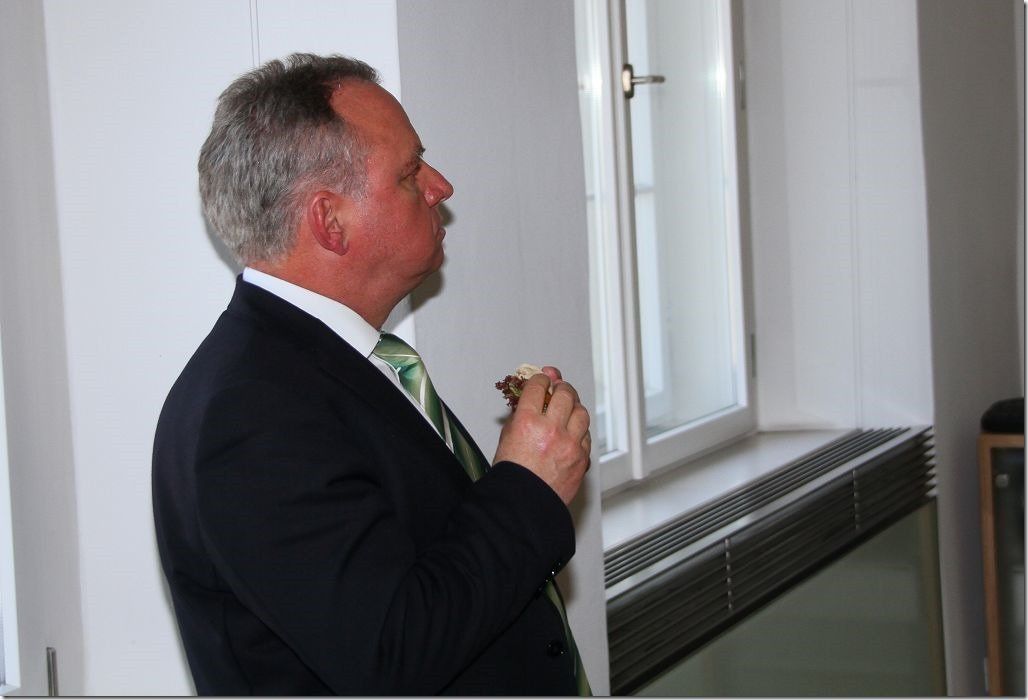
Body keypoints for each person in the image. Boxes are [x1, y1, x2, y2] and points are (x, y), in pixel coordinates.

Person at [152, 53, 592, 695]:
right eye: (410, 173)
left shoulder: (339, 363)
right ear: (330, 221)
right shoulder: (249, 416)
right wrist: (528, 487)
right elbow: (390, 655)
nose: (442, 186)